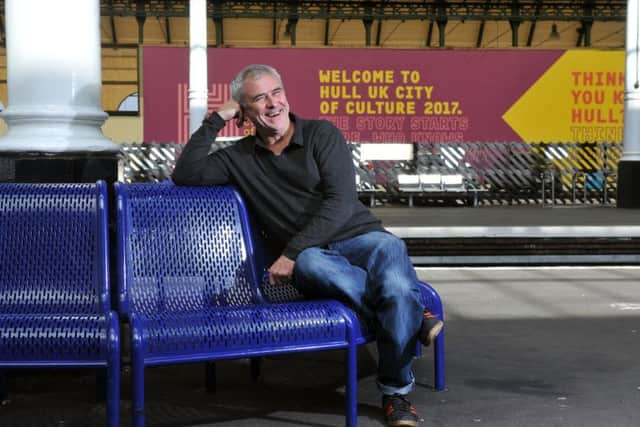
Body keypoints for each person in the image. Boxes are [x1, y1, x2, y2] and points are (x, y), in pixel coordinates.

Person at [171, 64, 443, 427]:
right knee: (325, 269)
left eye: (276, 92)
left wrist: (291, 253)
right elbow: (185, 173)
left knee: (389, 250)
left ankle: (396, 391)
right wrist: (217, 118)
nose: (273, 104)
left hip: (362, 237)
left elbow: (340, 202)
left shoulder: (321, 134)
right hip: (316, 256)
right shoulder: (238, 159)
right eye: (259, 98)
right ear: (244, 112)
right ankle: (410, 314)